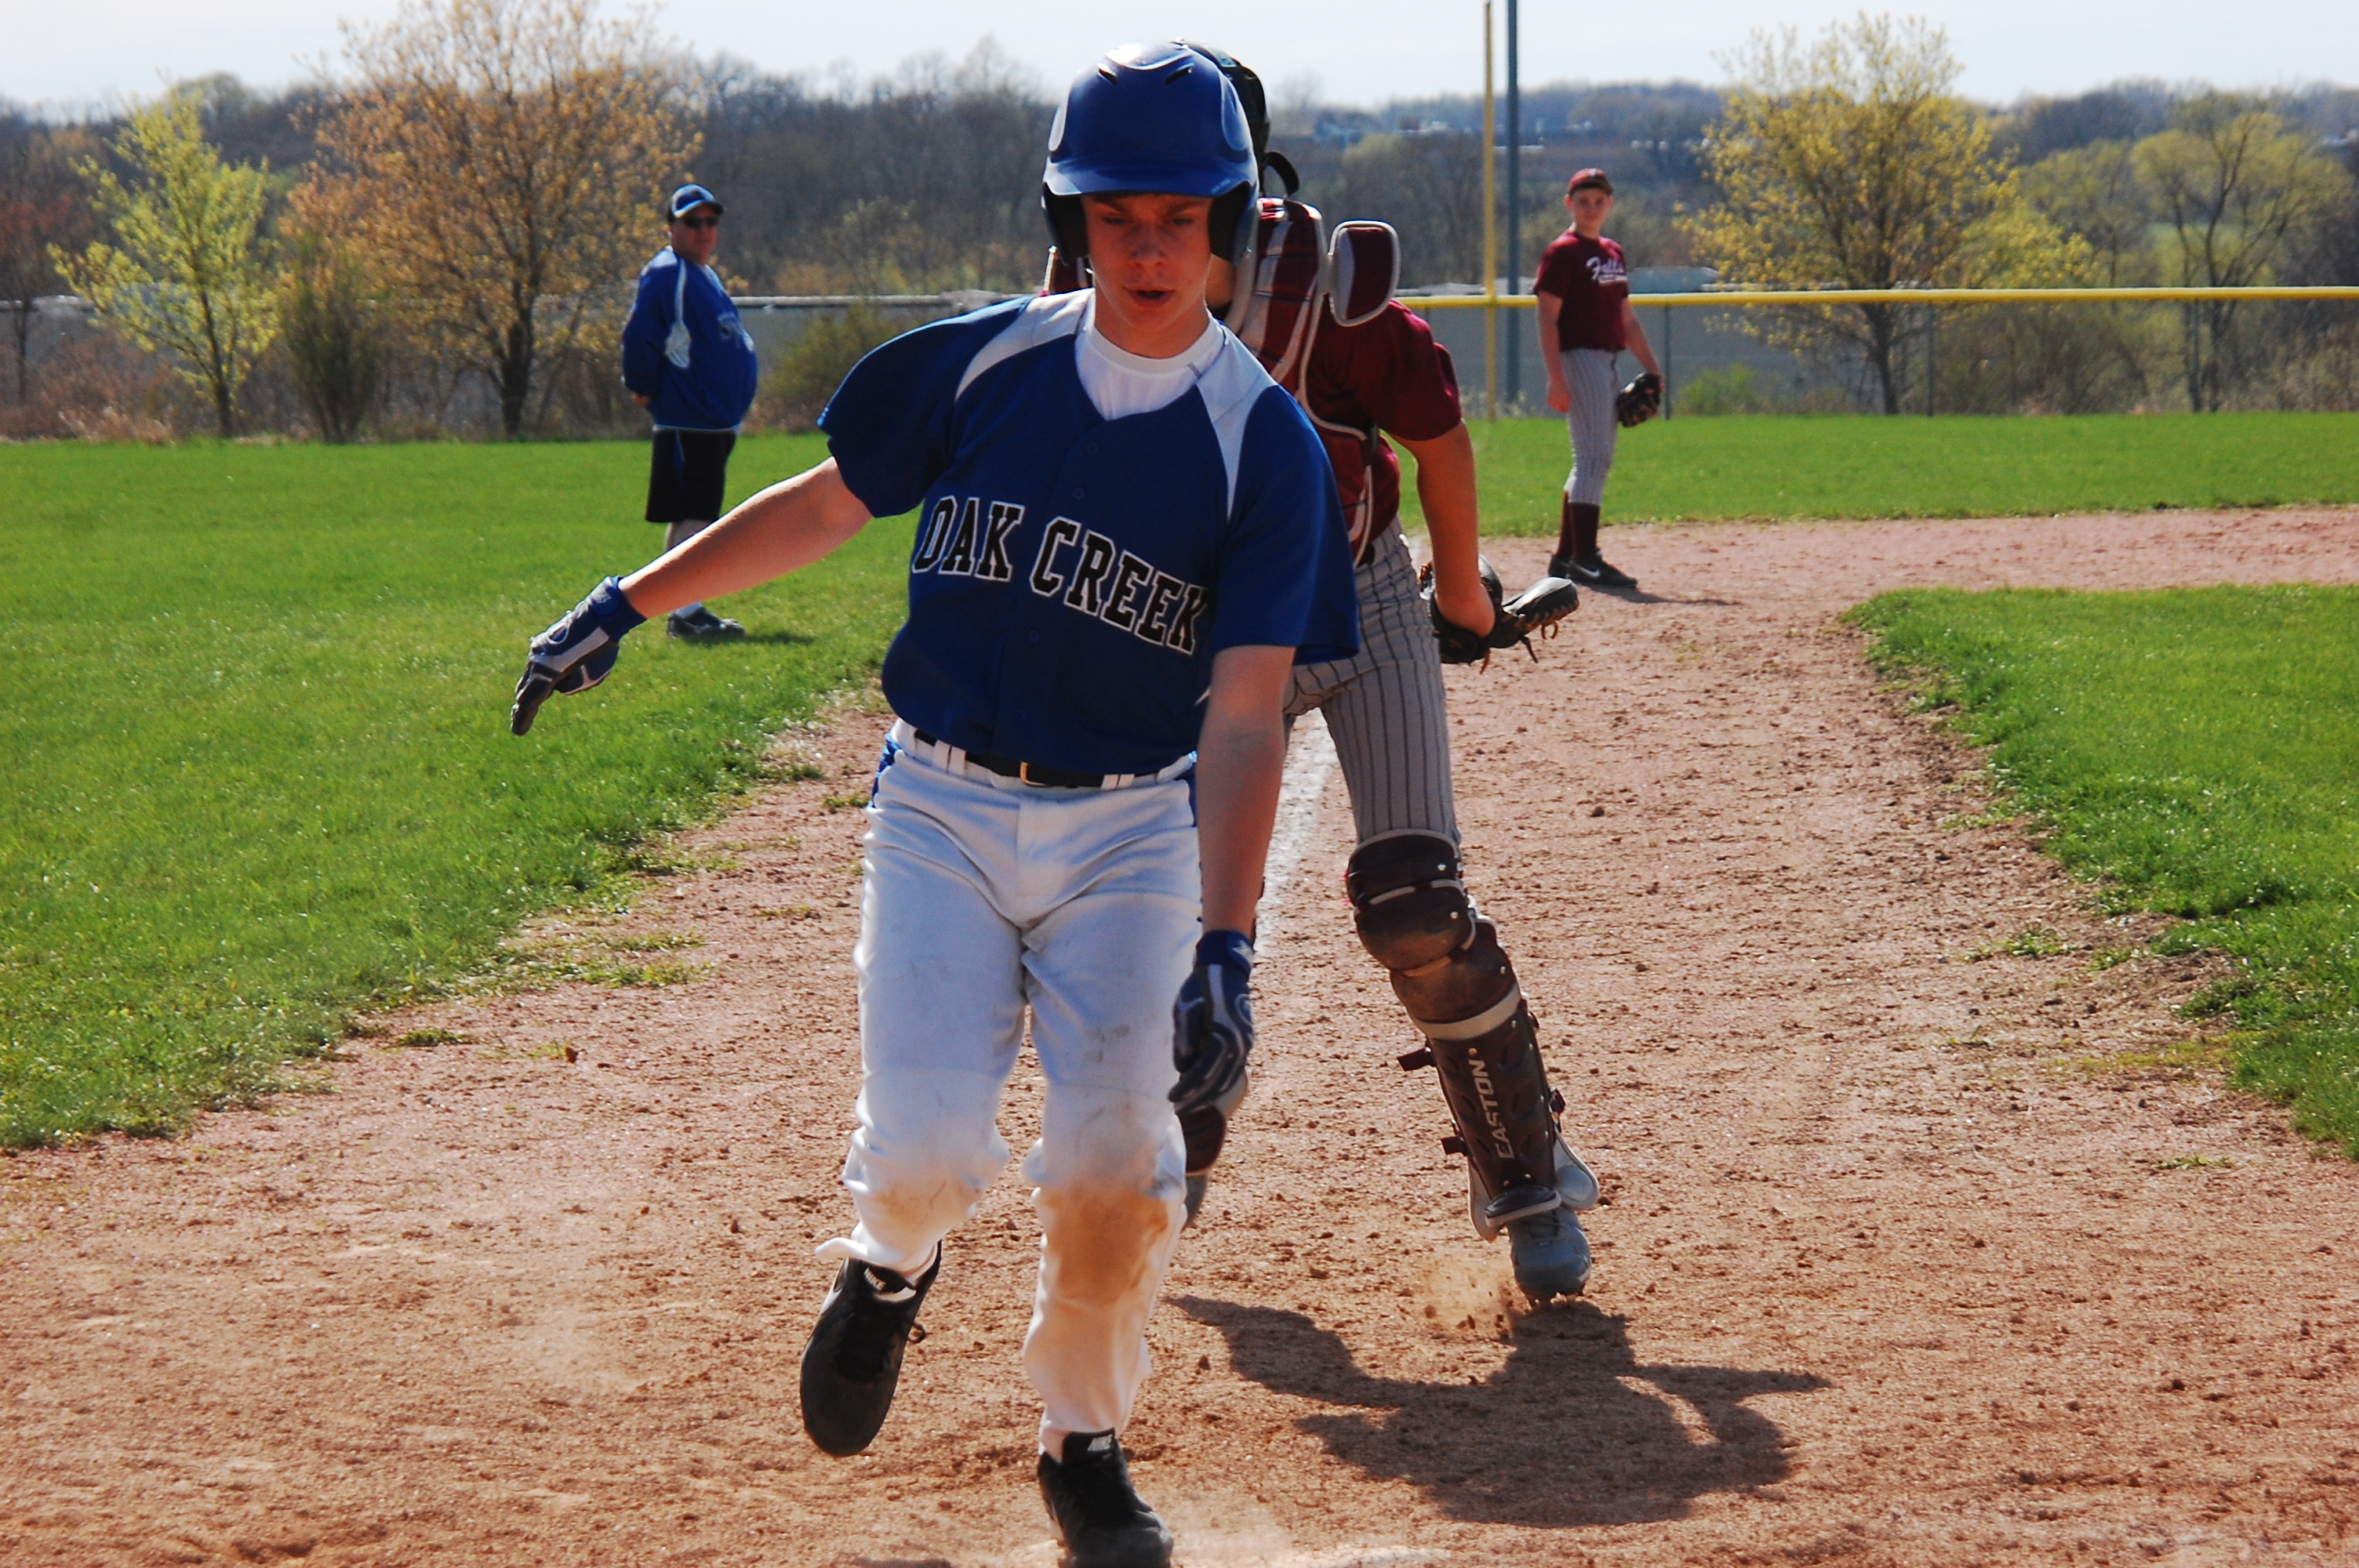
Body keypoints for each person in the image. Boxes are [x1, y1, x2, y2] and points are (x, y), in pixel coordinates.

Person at [511, 43, 1356, 1568]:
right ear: (1068, 221)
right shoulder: (981, 365)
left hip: (1132, 834)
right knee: (919, 1156)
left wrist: (1226, 949)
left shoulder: (1265, 449)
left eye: (1178, 216)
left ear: (1228, 226)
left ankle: (1081, 1442)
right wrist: (626, 603)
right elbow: (822, 505)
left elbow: (1243, 718)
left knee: (1115, 1170)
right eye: (1114, 216)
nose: (1147, 248)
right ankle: (891, 1267)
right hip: (944, 811)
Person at [1144, 45, 1598, 1306]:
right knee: (1156, 909)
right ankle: (1171, 1129)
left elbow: (1438, 442)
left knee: (1413, 903)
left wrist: (1461, 597)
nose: (1150, 222)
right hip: (1203, 627)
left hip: (1357, 599)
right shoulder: (1094, 295)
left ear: (1239, 176)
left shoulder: (1331, 296)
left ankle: (1525, 1166)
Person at [621, 182, 761, 641]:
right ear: (672, 227)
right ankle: (685, 613)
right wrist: (644, 386)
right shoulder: (668, 273)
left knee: (695, 514)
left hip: (711, 420)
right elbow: (640, 335)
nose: (704, 230)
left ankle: (682, 608)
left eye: (710, 221)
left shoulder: (701, 274)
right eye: (692, 222)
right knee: (695, 516)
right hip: (690, 419)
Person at [1534, 167, 1663, 591]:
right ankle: (1585, 559)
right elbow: (1547, 318)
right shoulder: (1563, 252)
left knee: (1588, 460)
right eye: (1583, 201)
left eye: (1599, 201)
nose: (1591, 208)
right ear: (1569, 204)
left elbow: (1627, 320)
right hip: (1579, 357)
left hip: (1606, 360)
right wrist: (1556, 377)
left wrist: (1653, 368)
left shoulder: (1612, 253)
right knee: (1594, 460)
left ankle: (1566, 557)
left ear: (1609, 205)